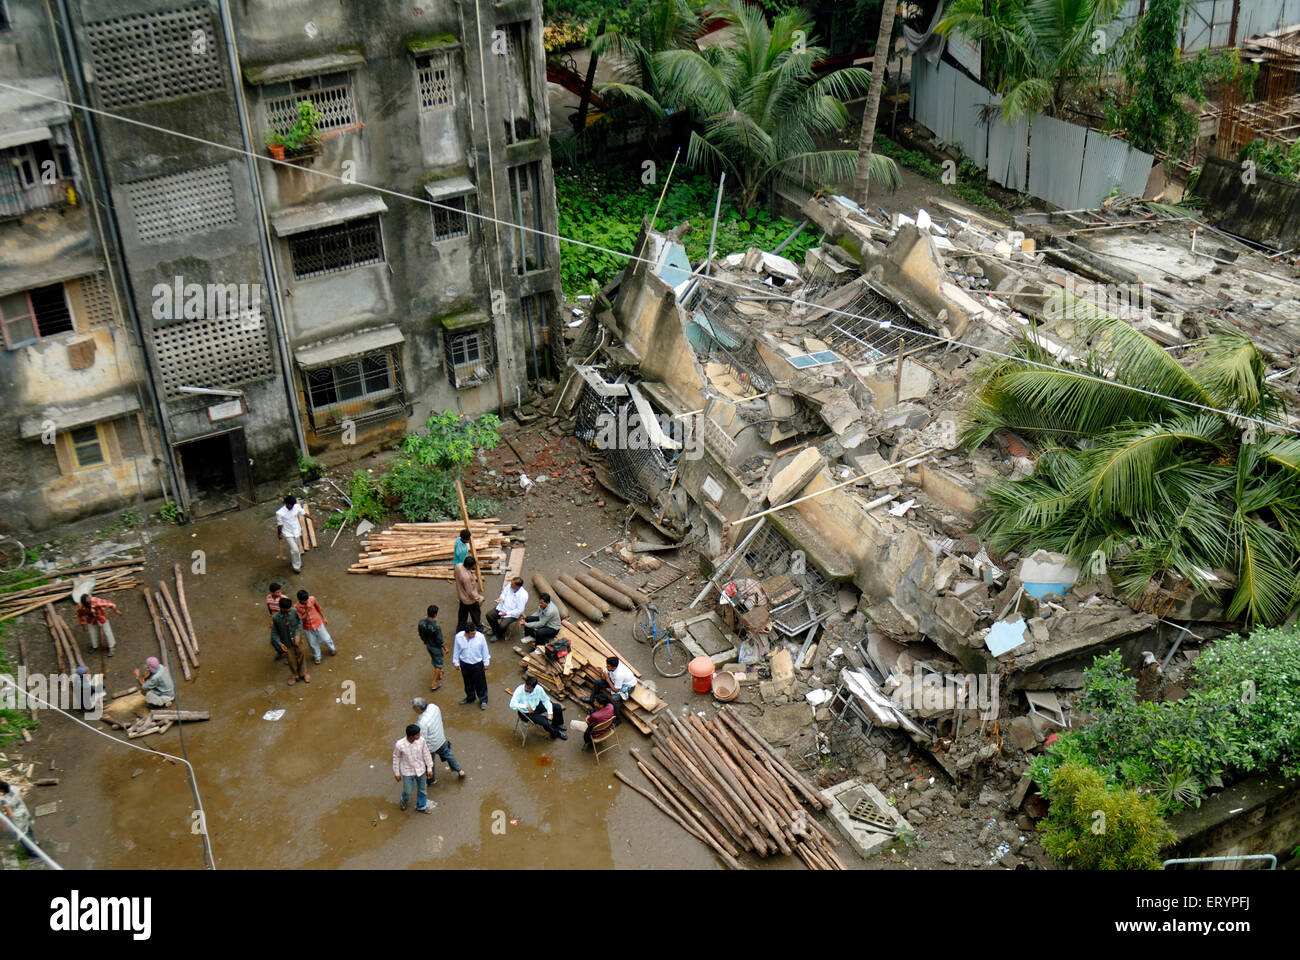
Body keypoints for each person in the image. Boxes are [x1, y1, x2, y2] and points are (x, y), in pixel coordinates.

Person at [412, 697, 465, 782]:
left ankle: (431, 780)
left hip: (431, 745)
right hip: (440, 738)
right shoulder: (434, 707)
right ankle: (459, 770)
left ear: (418, 709)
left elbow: (422, 738)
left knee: (429, 762)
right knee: (448, 754)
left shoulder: (422, 722)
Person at [391, 724, 435, 814]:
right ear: (411, 736)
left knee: (422, 789)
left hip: (421, 769)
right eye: (417, 734)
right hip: (407, 771)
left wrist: (429, 768)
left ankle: (421, 806)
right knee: (407, 790)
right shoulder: (400, 745)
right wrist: (397, 773)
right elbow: (396, 758)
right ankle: (404, 801)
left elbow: (426, 753)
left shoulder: (421, 741)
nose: (420, 735)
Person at [272, 597, 310, 685]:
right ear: (281, 608)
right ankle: (295, 675)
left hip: (297, 641)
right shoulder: (276, 618)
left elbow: (299, 623)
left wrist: (297, 634)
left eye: (289, 609)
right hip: (286, 644)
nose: (289, 610)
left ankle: (303, 673)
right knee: (291, 660)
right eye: (287, 609)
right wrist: (280, 643)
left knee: (301, 654)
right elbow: (274, 633)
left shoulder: (294, 612)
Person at [452, 625, 490, 709]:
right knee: (467, 682)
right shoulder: (459, 637)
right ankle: (470, 697)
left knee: (480, 683)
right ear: (467, 633)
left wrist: (486, 663)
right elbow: (456, 649)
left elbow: (485, 650)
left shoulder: (480, 637)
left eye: (474, 633)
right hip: (465, 664)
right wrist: (456, 662)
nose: (474, 635)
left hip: (477, 664)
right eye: (472, 634)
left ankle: (483, 700)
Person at [295, 589, 336, 664]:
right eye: (305, 600)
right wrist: (306, 610)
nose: (307, 601)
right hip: (307, 627)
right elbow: (301, 619)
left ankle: (332, 648)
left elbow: (318, 608)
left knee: (326, 638)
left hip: (318, 622)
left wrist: (324, 617)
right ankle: (317, 657)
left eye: (307, 599)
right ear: (300, 600)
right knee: (312, 643)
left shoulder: (312, 599)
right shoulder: (296, 607)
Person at [0, 781, 38, 858]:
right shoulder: (14, 787)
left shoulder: (4, 799)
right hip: (24, 812)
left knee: (21, 835)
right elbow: (22, 797)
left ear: (1, 790)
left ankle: (33, 851)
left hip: (17, 818)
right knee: (28, 828)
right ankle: (35, 842)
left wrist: (6, 822)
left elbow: (10, 814)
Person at [486, 576, 528, 642]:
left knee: (503, 625)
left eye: (512, 584)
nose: (510, 585)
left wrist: (506, 613)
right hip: (502, 607)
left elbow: (519, 610)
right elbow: (504, 593)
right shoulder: (509, 586)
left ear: (517, 586)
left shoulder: (523, 595)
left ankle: (498, 635)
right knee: (489, 615)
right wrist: (501, 598)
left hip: (511, 613)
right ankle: (495, 629)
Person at [275, 494, 307, 573]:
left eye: (292, 505)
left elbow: (303, 513)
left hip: (296, 531)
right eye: (290, 505)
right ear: (286, 504)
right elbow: (279, 525)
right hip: (288, 533)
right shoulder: (280, 513)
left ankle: (298, 563)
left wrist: (312, 519)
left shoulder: (296, 506)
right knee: (295, 550)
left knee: (296, 549)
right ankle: (296, 567)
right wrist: (279, 534)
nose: (292, 507)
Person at [418, 605, 445, 691]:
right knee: (439, 664)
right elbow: (439, 639)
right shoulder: (435, 626)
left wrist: (425, 641)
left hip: (428, 645)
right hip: (435, 647)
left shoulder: (421, 623)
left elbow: (420, 634)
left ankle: (439, 673)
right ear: (435, 614)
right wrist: (445, 647)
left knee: (434, 660)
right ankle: (434, 683)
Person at [454, 556, 484, 633]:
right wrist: (479, 598)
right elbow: (470, 592)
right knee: (475, 613)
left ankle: (460, 629)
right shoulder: (466, 578)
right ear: (469, 566)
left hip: (462, 596)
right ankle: (478, 627)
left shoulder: (458, 566)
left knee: (462, 614)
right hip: (469, 600)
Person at [265, 583, 287, 659]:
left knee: (285, 639)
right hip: (275, 621)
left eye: (280, 591)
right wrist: (271, 619)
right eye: (277, 592)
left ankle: (289, 655)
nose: (280, 593)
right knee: (273, 640)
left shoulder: (284, 598)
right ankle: (280, 651)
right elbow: (270, 610)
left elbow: (287, 611)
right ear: (272, 593)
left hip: (283, 621)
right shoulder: (268, 598)